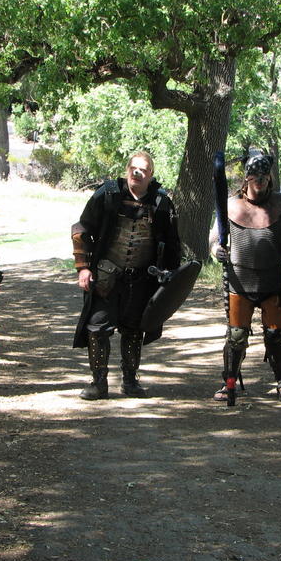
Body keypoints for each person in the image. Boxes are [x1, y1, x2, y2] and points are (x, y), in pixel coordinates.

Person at [71, 151, 181, 400]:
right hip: (106, 276)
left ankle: (130, 381)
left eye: (143, 170)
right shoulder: (107, 194)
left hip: (142, 279)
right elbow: (81, 229)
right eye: (134, 168)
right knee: (98, 328)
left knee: (133, 330)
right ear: (127, 170)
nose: (137, 173)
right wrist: (83, 268)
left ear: (151, 175)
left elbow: (172, 242)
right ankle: (99, 383)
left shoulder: (161, 202)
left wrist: (171, 276)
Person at [210, 149, 281, 403]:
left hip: (273, 283)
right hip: (239, 282)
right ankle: (229, 381)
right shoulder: (230, 206)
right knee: (236, 337)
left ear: (269, 177)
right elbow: (214, 240)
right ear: (246, 178)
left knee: (276, 335)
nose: (259, 180)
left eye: (264, 176)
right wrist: (217, 250)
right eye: (255, 175)